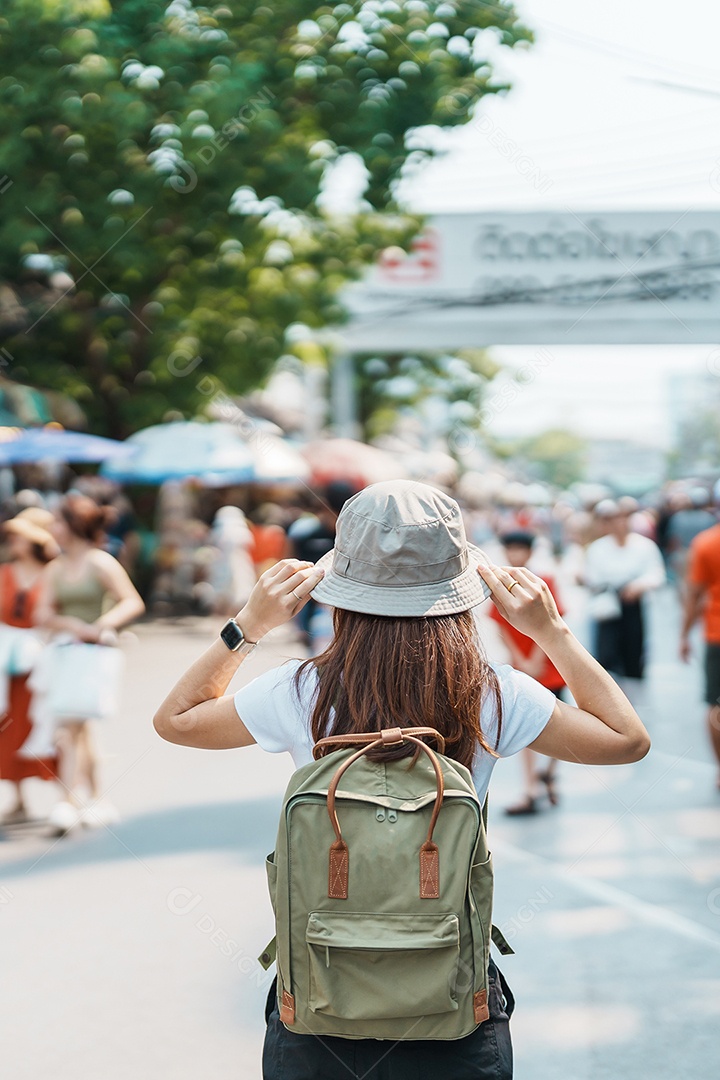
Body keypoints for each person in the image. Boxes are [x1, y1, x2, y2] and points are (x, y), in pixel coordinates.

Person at [154, 480, 650, 1080]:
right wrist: (550, 630)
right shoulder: (491, 691)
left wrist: (247, 625)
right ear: (460, 589)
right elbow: (627, 740)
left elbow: (176, 722)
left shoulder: (300, 689)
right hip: (450, 1004)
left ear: (340, 588)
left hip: (320, 1005)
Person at [34, 494, 145, 834]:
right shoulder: (55, 568)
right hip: (66, 654)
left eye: (57, 522)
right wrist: (74, 626)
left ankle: (67, 802)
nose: (52, 529)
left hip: (94, 657)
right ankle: (96, 797)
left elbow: (131, 602)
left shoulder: (100, 563)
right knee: (79, 728)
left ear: (73, 525)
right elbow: (43, 613)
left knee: (70, 726)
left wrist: (102, 625)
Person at [489, 531, 565, 815]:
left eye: (520, 549)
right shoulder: (499, 585)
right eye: (511, 549)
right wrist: (521, 657)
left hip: (548, 664)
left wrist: (534, 656)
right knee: (530, 728)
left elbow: (554, 623)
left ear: (530, 552)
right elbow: (498, 623)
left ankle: (547, 773)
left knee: (561, 723)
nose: (515, 555)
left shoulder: (543, 582)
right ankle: (531, 788)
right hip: (523, 664)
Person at [0, 508, 59, 824]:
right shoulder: (5, 573)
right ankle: (18, 798)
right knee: (10, 729)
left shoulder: (55, 572)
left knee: (51, 726)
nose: (12, 541)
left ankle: (66, 797)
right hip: (9, 666)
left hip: (46, 660)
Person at [584, 499, 666, 697]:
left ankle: (632, 694)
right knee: (606, 652)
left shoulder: (644, 546)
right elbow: (591, 576)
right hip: (608, 604)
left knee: (633, 650)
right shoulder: (598, 548)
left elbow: (656, 574)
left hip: (633, 605)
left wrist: (639, 586)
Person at [680, 520, 720, 788]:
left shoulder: (706, 542)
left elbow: (694, 594)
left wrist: (684, 635)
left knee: (715, 704)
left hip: (716, 635)